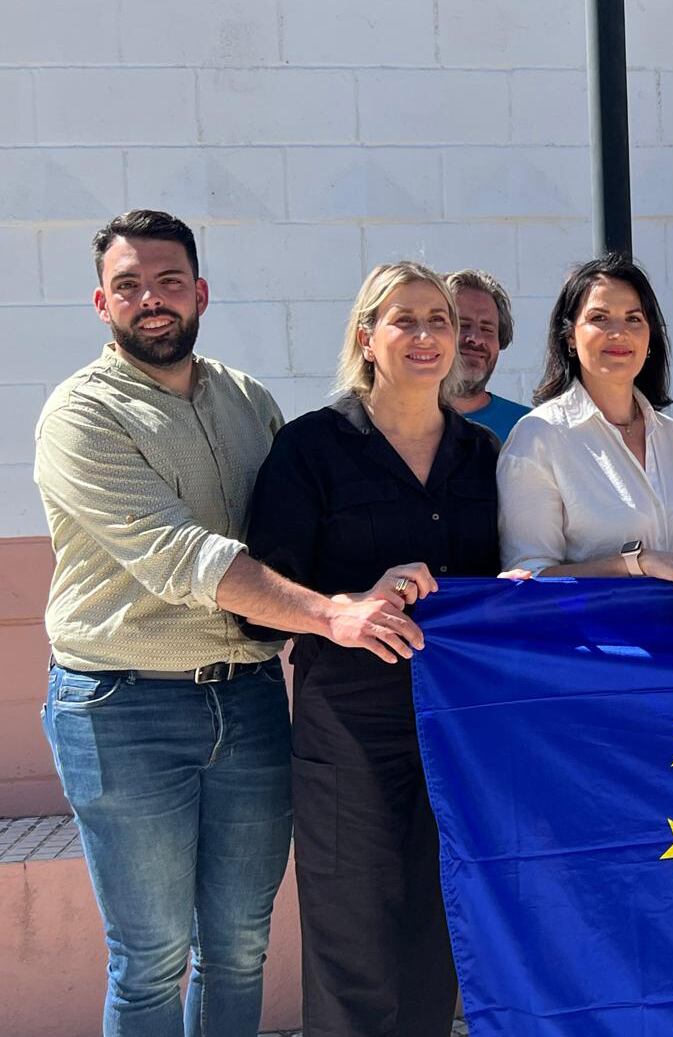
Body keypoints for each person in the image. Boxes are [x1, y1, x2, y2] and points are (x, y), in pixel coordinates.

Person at [34, 210, 423, 1037]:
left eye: (169, 281)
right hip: (121, 706)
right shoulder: (79, 415)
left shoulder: (249, 401)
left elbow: (299, 540)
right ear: (99, 302)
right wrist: (329, 612)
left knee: (241, 946)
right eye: (129, 285)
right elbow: (182, 555)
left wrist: (368, 581)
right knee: (151, 959)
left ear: (201, 292)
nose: (152, 299)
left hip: (246, 701)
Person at [245, 261, 502, 1037]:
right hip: (348, 725)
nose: (425, 335)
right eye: (405, 319)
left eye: (439, 320)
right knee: (353, 943)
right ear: (367, 336)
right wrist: (348, 603)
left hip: (458, 726)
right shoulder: (311, 447)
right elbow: (263, 599)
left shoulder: (484, 455)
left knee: (434, 932)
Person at [498, 254, 673, 611]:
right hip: (601, 653)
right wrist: (636, 563)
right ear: (570, 338)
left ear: (650, 338)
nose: (618, 332)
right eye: (598, 318)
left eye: (633, 319)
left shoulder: (671, 436)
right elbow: (527, 578)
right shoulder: (538, 437)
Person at [446, 267, 529, 443]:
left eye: (487, 329)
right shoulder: (393, 427)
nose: (476, 339)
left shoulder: (529, 429)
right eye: (463, 325)